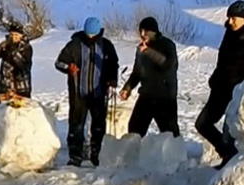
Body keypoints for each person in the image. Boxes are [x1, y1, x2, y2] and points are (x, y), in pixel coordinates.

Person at [195, 0, 244, 169]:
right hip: (220, 89)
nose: (230, 22)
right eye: (229, 17)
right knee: (202, 124)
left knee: (228, 135)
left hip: (237, 95)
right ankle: (226, 155)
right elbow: (223, 61)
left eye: (234, 18)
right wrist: (215, 78)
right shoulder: (230, 32)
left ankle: (230, 166)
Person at [55, 16, 119, 167]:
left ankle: (97, 155)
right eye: (88, 35)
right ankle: (75, 156)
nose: (90, 38)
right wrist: (68, 67)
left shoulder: (106, 45)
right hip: (78, 93)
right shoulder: (74, 44)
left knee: (98, 125)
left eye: (93, 35)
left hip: (99, 93)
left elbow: (113, 64)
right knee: (76, 124)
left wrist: (112, 78)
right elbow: (59, 62)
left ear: (98, 33)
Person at [119, 16, 180, 138]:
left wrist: (149, 51)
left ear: (154, 32)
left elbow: (167, 64)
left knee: (170, 134)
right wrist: (127, 88)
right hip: (146, 95)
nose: (142, 34)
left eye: (146, 31)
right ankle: (136, 155)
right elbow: (137, 72)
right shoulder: (140, 48)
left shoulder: (167, 45)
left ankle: (176, 156)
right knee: (134, 130)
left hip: (165, 97)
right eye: (140, 31)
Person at [0, 21, 33, 102]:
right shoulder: (5, 46)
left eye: (16, 35)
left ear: (21, 36)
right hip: (5, 86)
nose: (13, 37)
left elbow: (23, 66)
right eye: (11, 34)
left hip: (21, 87)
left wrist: (12, 51)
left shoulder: (26, 48)